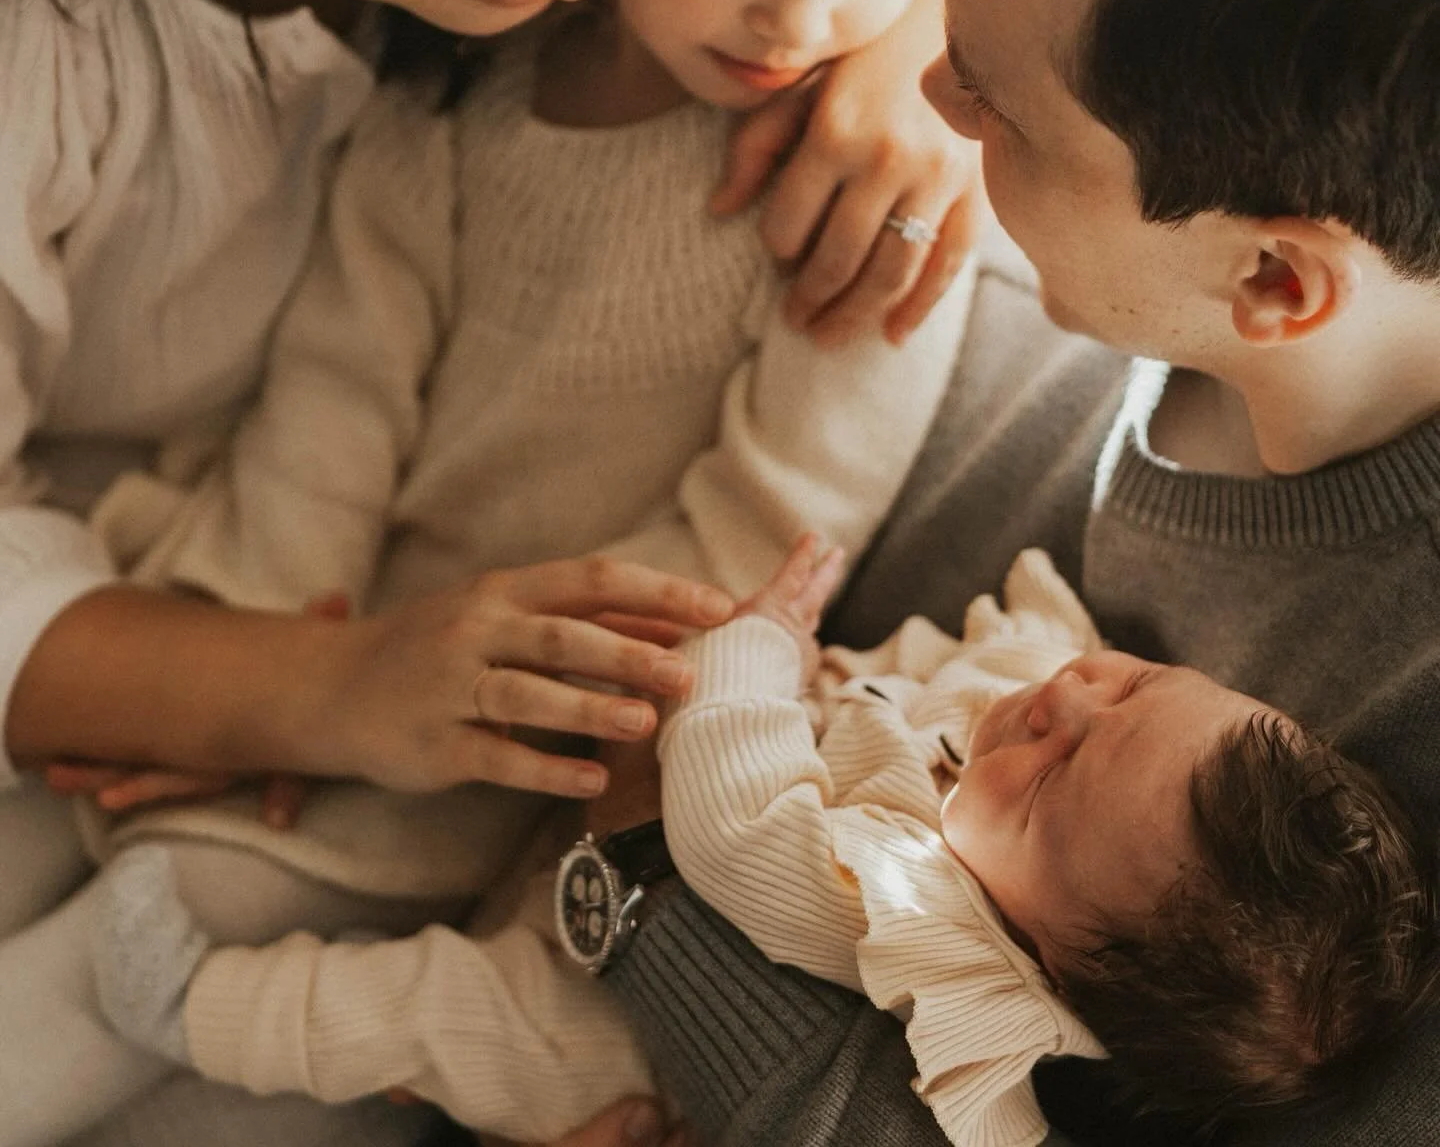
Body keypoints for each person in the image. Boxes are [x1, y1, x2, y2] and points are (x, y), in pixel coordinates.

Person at [0, 0, 980, 1141]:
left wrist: (931, 49)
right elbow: (336, 376)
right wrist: (293, 679)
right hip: (152, 615)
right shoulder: (59, 45)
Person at [559, 0, 1440, 1147]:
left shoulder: (1389, 710)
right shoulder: (1175, 255)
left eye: (999, 103)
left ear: (1275, 280)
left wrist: (632, 879)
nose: (924, 88)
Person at [89, 537, 1437, 1146]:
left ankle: (192, 1005)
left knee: (435, 1012)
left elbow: (733, 832)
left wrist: (754, 656)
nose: (1069, 697)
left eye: (1056, 768)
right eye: (1136, 684)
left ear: (1049, 969)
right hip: (618, 864)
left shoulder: (918, 918)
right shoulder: (1058, 779)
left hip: (607, 1042)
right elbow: (938, 677)